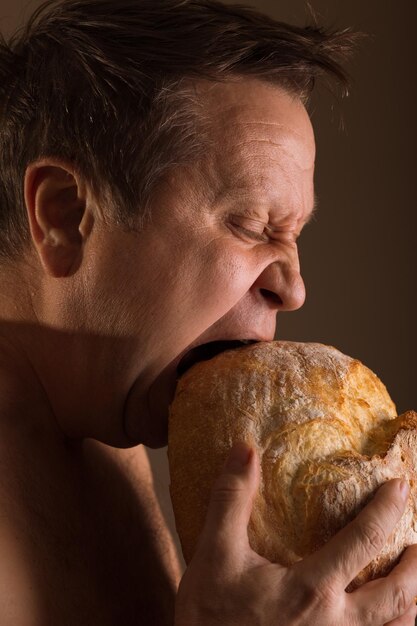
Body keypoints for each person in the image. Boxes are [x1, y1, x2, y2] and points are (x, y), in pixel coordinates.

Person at [0, 0, 416, 624]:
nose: (294, 288)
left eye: (293, 234)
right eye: (252, 225)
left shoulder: (111, 428)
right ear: (64, 216)